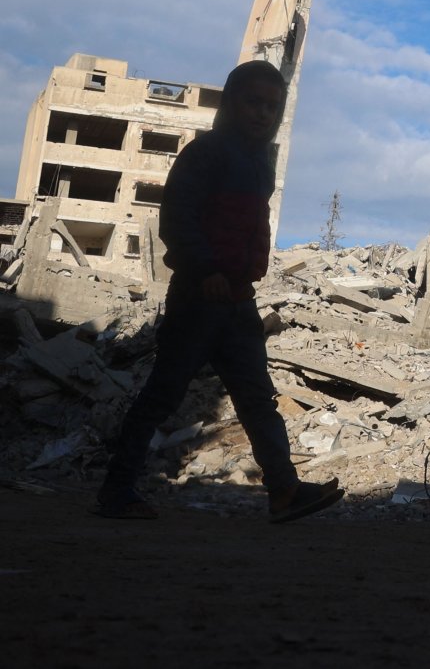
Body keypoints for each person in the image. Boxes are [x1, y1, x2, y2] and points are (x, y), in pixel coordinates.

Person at [96, 60, 342, 523]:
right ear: (232, 103)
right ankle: (116, 490)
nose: (263, 113)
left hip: (237, 299)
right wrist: (204, 267)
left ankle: (285, 492)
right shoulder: (206, 154)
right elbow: (178, 217)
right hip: (198, 294)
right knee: (163, 395)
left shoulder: (259, 164)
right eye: (253, 102)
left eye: (273, 106)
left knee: (256, 397)